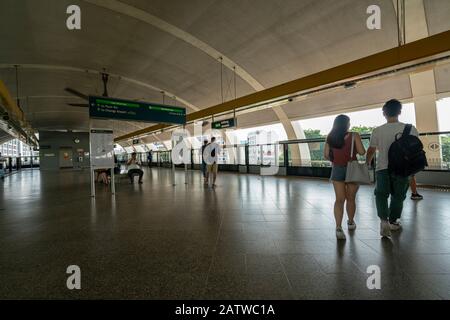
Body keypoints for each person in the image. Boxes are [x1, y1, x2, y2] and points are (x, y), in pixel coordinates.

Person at [366, 99, 419, 238]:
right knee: (398, 196)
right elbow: (416, 149)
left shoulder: (377, 130)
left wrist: (367, 163)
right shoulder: (410, 128)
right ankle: (393, 221)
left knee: (381, 194)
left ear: (384, 113)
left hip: (383, 167)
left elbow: (371, 150)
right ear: (400, 112)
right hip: (403, 168)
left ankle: (383, 221)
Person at [324, 115, 366, 240]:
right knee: (351, 198)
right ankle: (351, 222)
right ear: (347, 124)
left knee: (339, 199)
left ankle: (338, 227)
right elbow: (362, 152)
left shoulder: (330, 137)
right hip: (352, 169)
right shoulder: (354, 135)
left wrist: (336, 158)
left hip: (337, 168)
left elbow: (326, 155)